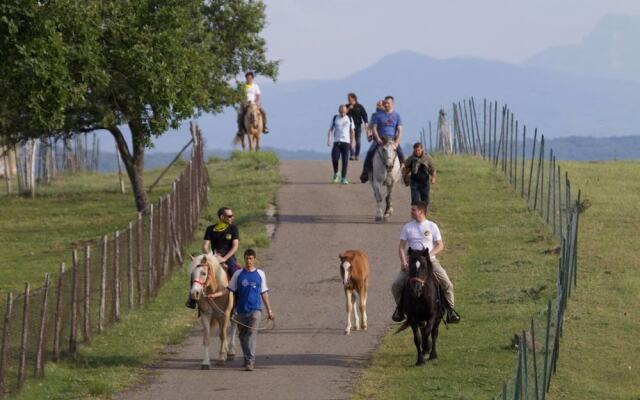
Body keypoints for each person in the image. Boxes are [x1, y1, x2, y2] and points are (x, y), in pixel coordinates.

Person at [391, 201, 460, 324]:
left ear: (421, 211)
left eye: (413, 210)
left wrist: (429, 255)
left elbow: (440, 245)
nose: (411, 212)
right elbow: (401, 247)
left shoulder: (432, 226)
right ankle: (400, 310)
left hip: (430, 262)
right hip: (412, 264)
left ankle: (450, 311)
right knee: (396, 285)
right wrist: (403, 262)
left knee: (448, 284)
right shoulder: (408, 227)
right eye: (411, 209)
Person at [227, 249, 275, 371]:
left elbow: (264, 292)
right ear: (244, 259)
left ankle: (250, 361)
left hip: (255, 310)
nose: (249, 261)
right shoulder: (238, 274)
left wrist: (269, 310)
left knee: (251, 334)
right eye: (247, 258)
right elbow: (230, 291)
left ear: (254, 259)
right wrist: (215, 296)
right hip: (241, 311)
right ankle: (247, 357)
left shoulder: (260, 274)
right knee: (242, 336)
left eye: (251, 258)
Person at [185, 207, 240, 309]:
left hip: (229, 258)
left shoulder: (233, 228)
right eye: (229, 216)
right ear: (221, 217)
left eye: (232, 215)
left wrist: (224, 258)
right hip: (214, 257)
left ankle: (237, 305)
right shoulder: (210, 229)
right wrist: (212, 256)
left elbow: (235, 246)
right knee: (197, 273)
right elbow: (204, 246)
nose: (232, 217)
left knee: (236, 274)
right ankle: (192, 299)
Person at [360, 96, 405, 183]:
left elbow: (400, 130)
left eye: (388, 103)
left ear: (392, 104)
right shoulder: (378, 115)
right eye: (385, 103)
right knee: (370, 152)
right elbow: (374, 128)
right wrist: (377, 139)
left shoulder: (397, 115)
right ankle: (365, 172)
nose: (386, 105)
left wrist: (396, 142)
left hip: (392, 140)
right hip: (381, 139)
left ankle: (405, 174)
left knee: (401, 154)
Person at [327, 105, 356, 184]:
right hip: (337, 142)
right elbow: (330, 129)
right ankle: (336, 173)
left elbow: (352, 131)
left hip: (346, 143)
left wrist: (353, 141)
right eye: (341, 112)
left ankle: (343, 178)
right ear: (338, 111)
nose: (342, 114)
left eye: (344, 112)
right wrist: (329, 139)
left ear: (346, 111)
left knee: (345, 160)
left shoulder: (349, 119)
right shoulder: (335, 118)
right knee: (335, 158)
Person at [236, 72, 269, 137]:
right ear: (246, 78)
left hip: (254, 104)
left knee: (263, 113)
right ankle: (240, 130)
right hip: (245, 104)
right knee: (240, 115)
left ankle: (264, 127)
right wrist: (244, 102)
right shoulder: (243, 86)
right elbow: (240, 95)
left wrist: (255, 102)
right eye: (248, 78)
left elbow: (258, 95)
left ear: (252, 78)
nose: (249, 79)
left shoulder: (255, 86)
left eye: (250, 78)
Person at [346, 93, 368, 161]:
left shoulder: (359, 106)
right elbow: (342, 114)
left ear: (353, 98)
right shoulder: (346, 106)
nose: (348, 100)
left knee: (358, 141)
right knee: (350, 141)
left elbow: (364, 114)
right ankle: (352, 154)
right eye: (348, 99)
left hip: (358, 125)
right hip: (349, 126)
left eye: (349, 99)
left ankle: (357, 155)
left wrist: (366, 123)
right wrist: (349, 108)